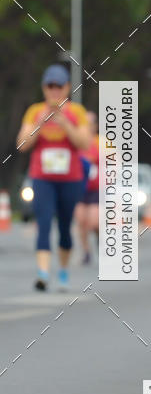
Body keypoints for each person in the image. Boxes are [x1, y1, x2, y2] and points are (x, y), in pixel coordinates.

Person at [16, 64, 91, 291]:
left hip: (70, 179)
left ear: (67, 88)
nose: (55, 91)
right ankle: (43, 273)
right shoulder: (35, 111)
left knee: (65, 225)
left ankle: (64, 270)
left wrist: (65, 123)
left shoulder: (76, 112)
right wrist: (40, 123)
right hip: (43, 178)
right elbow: (22, 144)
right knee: (44, 222)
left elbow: (85, 143)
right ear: (44, 88)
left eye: (59, 86)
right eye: (50, 86)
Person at [75, 111, 100, 264]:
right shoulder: (77, 142)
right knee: (81, 221)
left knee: (94, 222)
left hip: (97, 188)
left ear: (95, 126)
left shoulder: (101, 142)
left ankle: (99, 237)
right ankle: (86, 252)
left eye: (90, 124)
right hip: (79, 187)